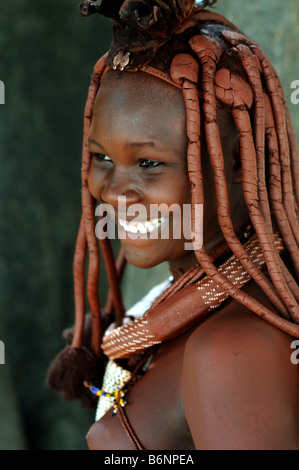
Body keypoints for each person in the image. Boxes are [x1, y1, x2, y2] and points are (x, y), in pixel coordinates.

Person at [46, 0, 299, 450]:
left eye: (148, 163)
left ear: (238, 161)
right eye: (102, 157)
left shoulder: (229, 352)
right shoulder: (191, 299)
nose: (116, 193)